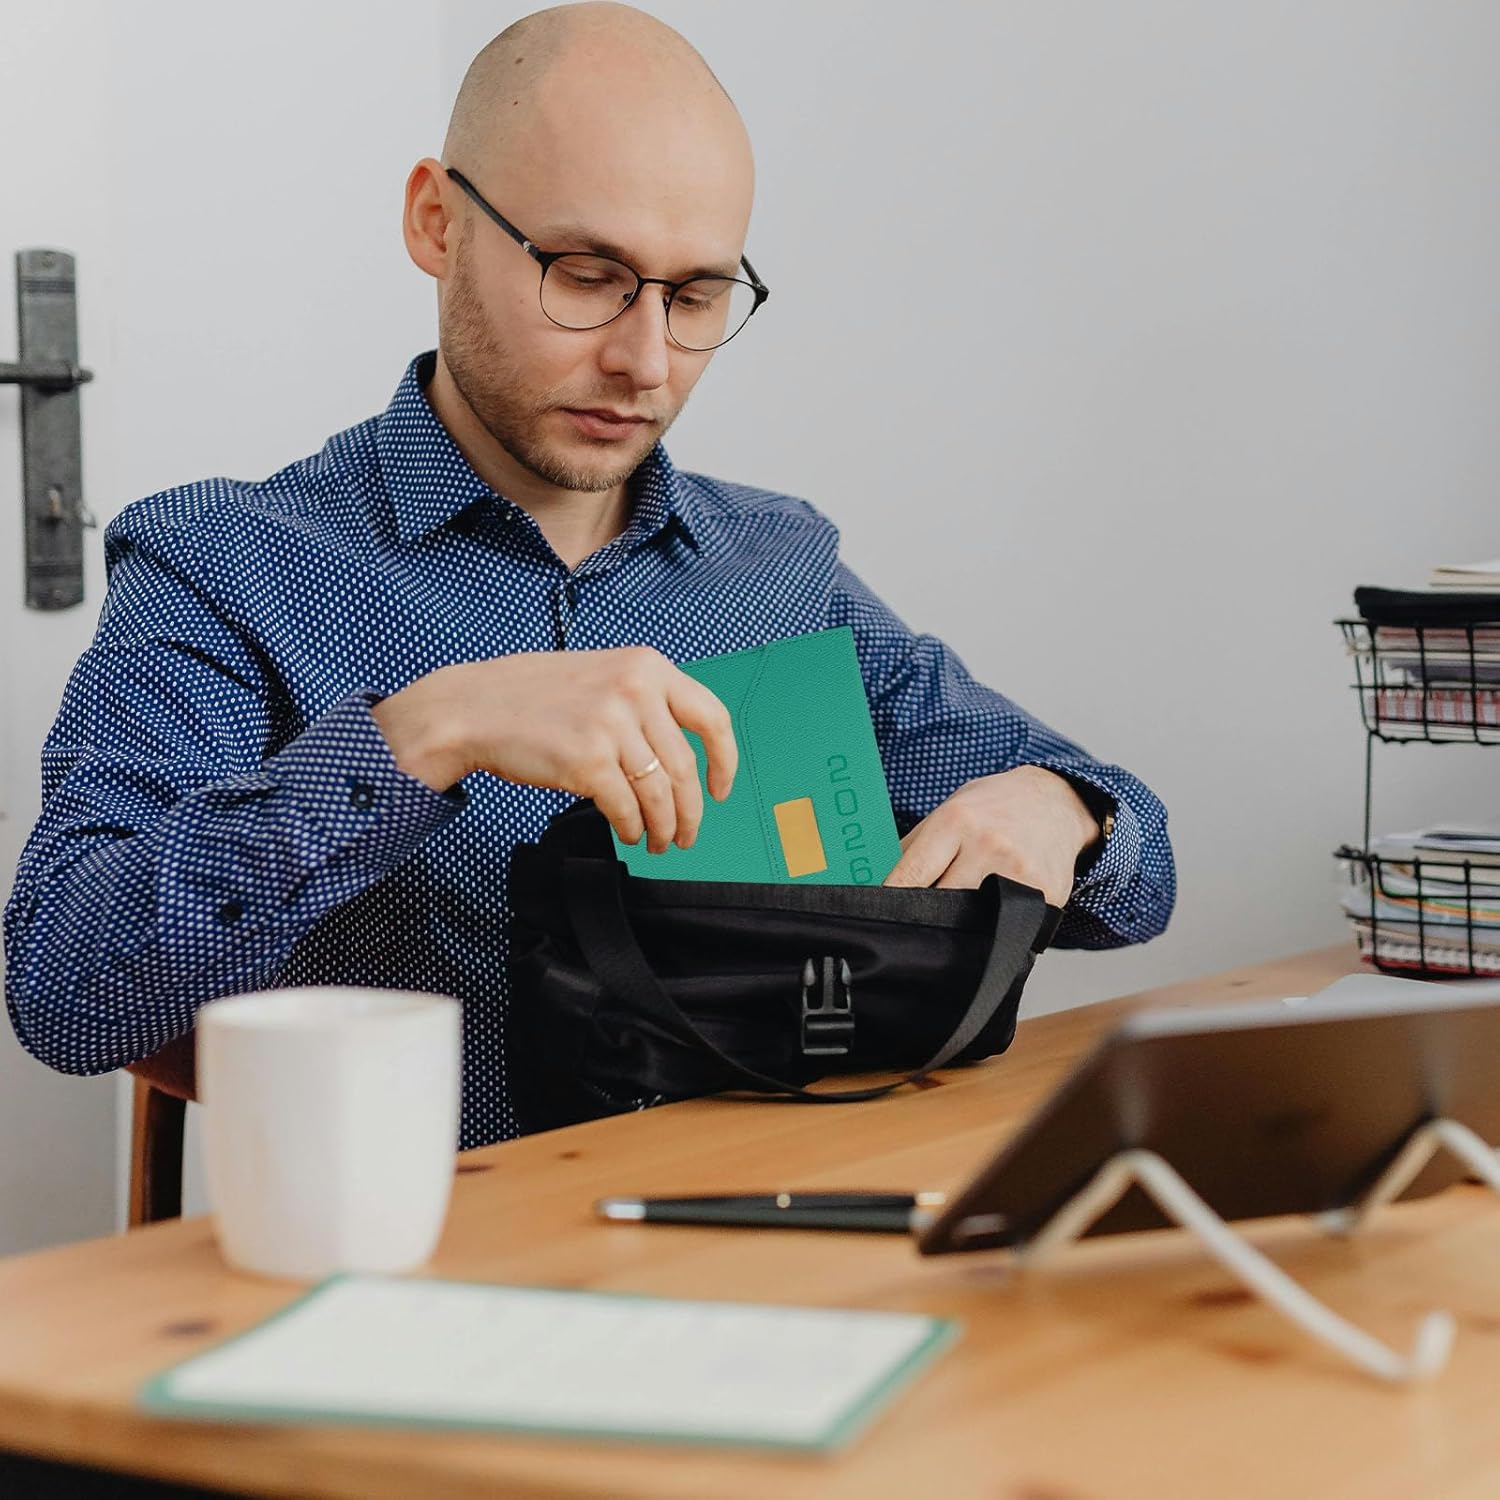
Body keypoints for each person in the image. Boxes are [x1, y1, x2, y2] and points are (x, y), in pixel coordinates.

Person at [3, 2, 1175, 1149]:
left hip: (774, 1226)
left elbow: (1142, 877)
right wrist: (424, 732)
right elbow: (63, 988)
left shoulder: (779, 570)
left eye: (697, 295)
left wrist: (1065, 811)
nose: (645, 361)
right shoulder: (225, 562)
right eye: (585, 272)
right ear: (436, 222)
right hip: (438, 1256)